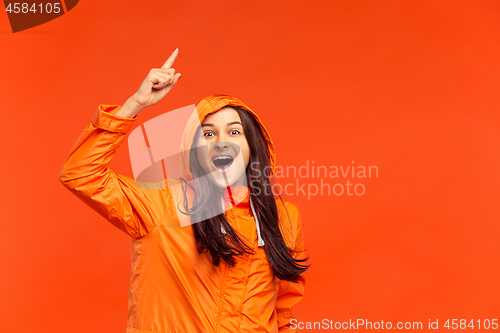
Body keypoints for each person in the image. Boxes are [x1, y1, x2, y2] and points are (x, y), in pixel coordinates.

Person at [58, 48, 310, 333]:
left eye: (235, 132)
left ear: (253, 147)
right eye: (209, 133)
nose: (221, 142)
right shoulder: (161, 204)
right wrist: (134, 104)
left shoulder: (283, 217)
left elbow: (284, 310)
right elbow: (80, 173)